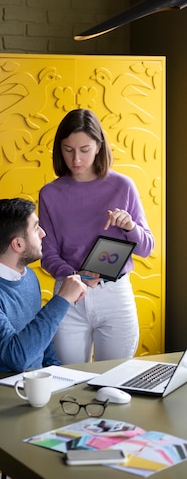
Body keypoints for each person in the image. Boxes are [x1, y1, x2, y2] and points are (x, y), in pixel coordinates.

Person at [39, 108, 154, 365]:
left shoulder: (123, 186)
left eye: (85, 149)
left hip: (115, 296)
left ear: (99, 146)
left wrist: (129, 227)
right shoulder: (49, 193)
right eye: (68, 150)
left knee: (115, 379)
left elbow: (146, 247)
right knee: (71, 379)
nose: (76, 159)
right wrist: (77, 277)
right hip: (69, 295)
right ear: (60, 149)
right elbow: (48, 254)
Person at [0, 198, 86, 377]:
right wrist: (62, 299)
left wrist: (55, 372)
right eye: (36, 228)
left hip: (29, 385)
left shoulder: (28, 277)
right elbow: (16, 357)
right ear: (17, 244)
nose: (43, 233)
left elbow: (41, 337)